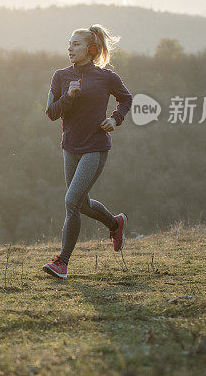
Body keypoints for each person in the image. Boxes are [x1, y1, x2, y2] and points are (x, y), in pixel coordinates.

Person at [42, 24, 133, 279]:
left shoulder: (107, 78)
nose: (70, 48)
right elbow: (51, 113)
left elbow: (126, 99)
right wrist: (68, 97)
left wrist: (115, 119)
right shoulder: (60, 76)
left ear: (91, 49)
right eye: (69, 44)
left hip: (96, 147)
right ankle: (116, 224)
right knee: (81, 204)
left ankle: (62, 262)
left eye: (76, 44)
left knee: (71, 202)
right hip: (70, 148)